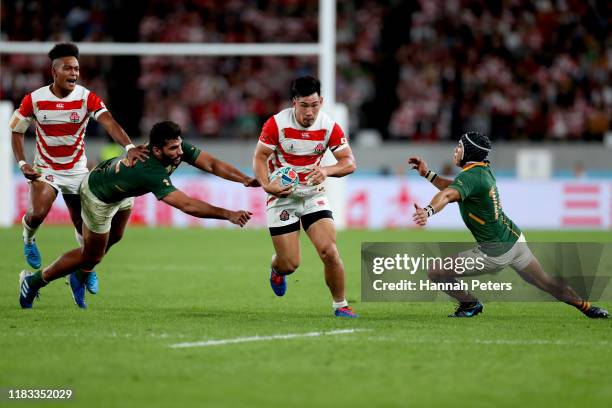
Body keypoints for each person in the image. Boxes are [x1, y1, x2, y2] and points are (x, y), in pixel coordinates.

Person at [19, 121, 256, 309]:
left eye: (180, 145)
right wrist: (228, 214)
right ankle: (33, 281)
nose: (180, 152)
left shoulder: (173, 149)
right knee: (91, 255)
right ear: (156, 149)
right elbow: (187, 205)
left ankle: (81, 275)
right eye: (173, 148)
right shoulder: (149, 169)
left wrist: (244, 178)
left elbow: (212, 164)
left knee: (117, 237)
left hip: (120, 189)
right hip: (99, 196)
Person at [409, 131, 608, 318]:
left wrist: (428, 211)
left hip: (495, 252)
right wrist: (427, 174)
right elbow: (454, 188)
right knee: (546, 282)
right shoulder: (481, 171)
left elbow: (447, 195)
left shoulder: (470, 177)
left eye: (459, 147)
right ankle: (588, 307)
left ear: (468, 152)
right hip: (514, 241)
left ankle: (470, 303)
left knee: (435, 270)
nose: (455, 150)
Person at [10, 43, 148, 295]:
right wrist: (22, 163)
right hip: (46, 168)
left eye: (77, 69)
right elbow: (16, 131)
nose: (74, 73)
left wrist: (128, 146)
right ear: (54, 71)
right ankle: (28, 239)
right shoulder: (35, 99)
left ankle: (87, 267)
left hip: (76, 171)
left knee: (82, 226)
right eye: (68, 68)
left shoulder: (86, 97)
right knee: (38, 213)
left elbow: (110, 123)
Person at [252, 76, 358, 318]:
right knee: (290, 264)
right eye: (304, 106)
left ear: (321, 101)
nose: (310, 112)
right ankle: (276, 269)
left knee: (330, 251)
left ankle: (340, 305)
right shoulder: (276, 124)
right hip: (282, 196)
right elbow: (259, 158)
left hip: (313, 195)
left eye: (314, 105)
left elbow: (349, 163)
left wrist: (327, 170)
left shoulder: (329, 126)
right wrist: (268, 186)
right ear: (294, 103)